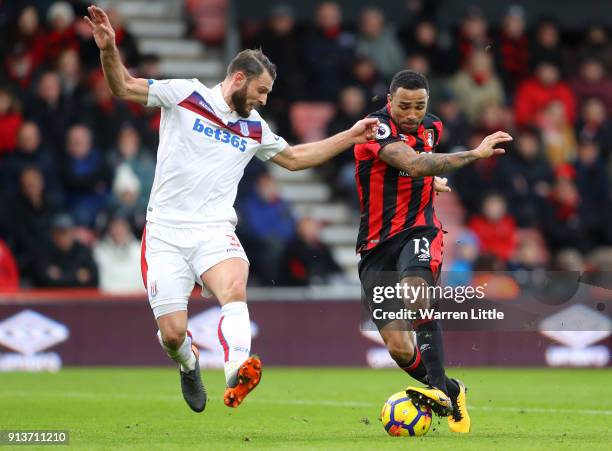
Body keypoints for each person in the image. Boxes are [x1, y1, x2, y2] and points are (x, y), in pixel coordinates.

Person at [85, 5, 378, 413]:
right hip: (165, 233)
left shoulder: (254, 127)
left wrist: (349, 135)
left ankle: (237, 370)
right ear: (238, 78)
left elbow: (294, 159)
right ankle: (187, 363)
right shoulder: (185, 95)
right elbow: (123, 87)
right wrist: (108, 49)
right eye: (260, 90)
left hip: (213, 229)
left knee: (234, 286)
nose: (262, 99)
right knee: (172, 334)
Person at [354, 70, 512, 433]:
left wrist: (431, 181)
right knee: (398, 346)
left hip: (419, 230)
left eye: (420, 106)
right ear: (389, 102)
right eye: (405, 106)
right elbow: (411, 163)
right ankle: (452, 390)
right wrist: (473, 154)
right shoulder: (373, 128)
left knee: (415, 293)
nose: (412, 114)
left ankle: (439, 389)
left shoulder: (433, 127)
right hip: (376, 244)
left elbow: (419, 165)